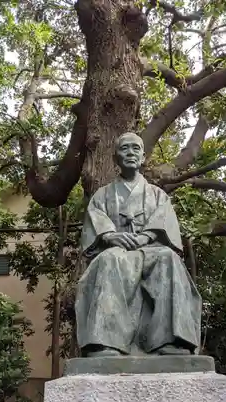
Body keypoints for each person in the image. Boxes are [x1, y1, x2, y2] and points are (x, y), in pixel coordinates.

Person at [75, 132, 201, 357]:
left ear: (143, 157)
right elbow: (95, 223)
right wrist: (110, 235)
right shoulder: (102, 195)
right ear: (115, 157)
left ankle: (168, 340)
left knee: (168, 259)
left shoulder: (157, 194)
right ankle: (106, 342)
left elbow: (164, 224)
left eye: (135, 148)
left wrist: (146, 236)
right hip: (117, 251)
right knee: (108, 259)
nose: (130, 153)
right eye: (124, 148)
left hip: (151, 249)